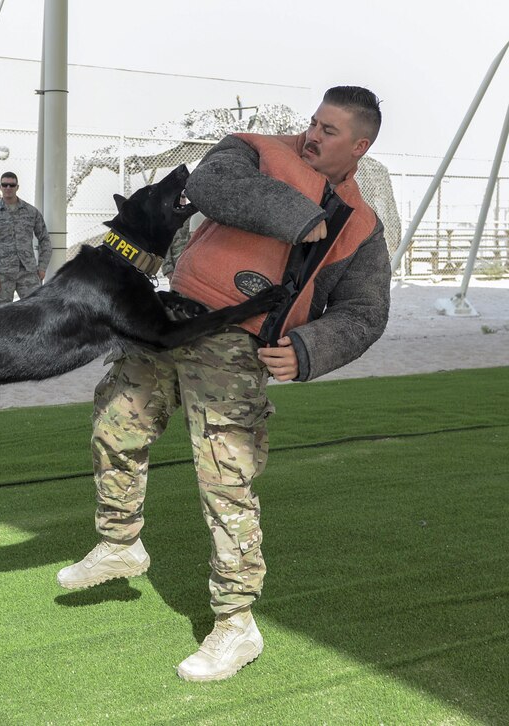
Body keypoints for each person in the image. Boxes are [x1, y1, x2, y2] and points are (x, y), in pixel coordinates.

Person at [57, 87, 392, 682]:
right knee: (114, 423)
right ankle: (120, 543)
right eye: (314, 122)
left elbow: (365, 312)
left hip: (237, 345)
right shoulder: (256, 149)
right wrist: (302, 217)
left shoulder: (362, 225)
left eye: (331, 131)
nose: (313, 135)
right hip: (173, 318)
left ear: (360, 145)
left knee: (225, 478)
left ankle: (236, 625)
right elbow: (210, 185)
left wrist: (311, 349)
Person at [0, 172, 52, 307]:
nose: (8, 188)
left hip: (27, 272)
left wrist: (42, 267)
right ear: (0, 187)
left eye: (11, 185)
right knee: (0, 315)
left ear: (17, 187)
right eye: (4, 185)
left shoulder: (31, 212)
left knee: (35, 310)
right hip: (2, 274)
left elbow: (45, 240)